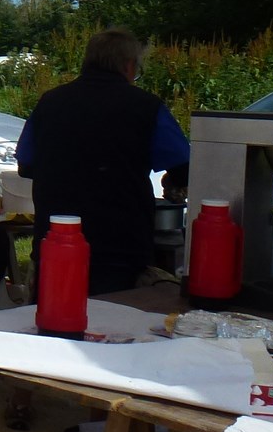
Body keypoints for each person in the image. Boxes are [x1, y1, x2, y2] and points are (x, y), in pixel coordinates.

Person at [17, 27, 191, 293]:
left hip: (55, 241)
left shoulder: (50, 102)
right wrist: (170, 181)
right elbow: (184, 168)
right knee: (116, 315)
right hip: (120, 245)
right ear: (129, 65)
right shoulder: (146, 106)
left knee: (52, 312)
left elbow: (27, 165)